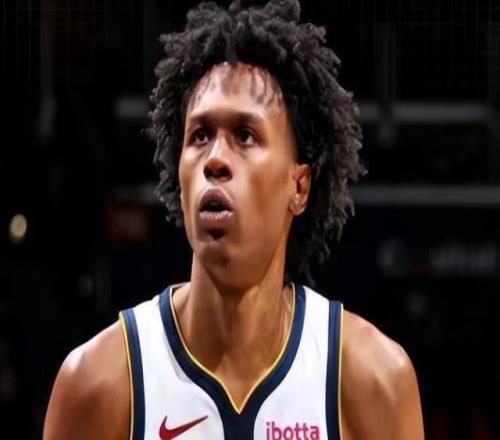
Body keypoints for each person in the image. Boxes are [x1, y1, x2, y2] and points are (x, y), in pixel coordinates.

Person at [44, 0, 424, 439]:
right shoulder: (98, 383)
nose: (215, 159)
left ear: (299, 187)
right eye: (200, 135)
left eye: (245, 135)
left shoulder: (372, 380)